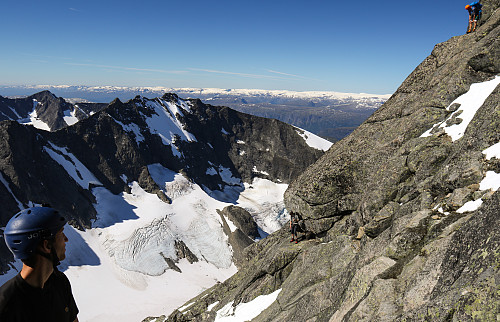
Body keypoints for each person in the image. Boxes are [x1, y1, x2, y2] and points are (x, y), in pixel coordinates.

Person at [0, 206, 79, 322]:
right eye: (61, 234)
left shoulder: (60, 282)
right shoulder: (5, 304)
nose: (66, 239)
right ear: (46, 245)